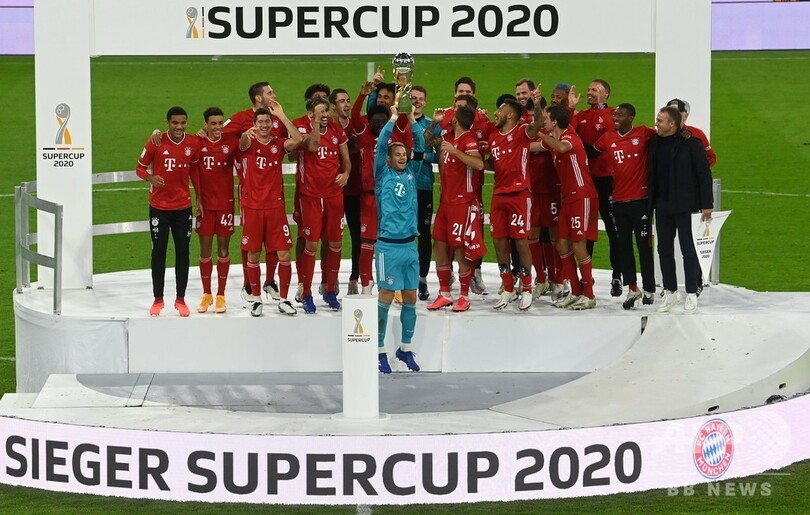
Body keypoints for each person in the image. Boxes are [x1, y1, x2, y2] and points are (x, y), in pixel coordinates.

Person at [221, 81, 289, 302]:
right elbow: (221, 132)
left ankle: (269, 281)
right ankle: (249, 284)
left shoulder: (275, 118)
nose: (274, 95)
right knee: (251, 239)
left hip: (274, 189)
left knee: (273, 238)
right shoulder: (242, 118)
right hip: (250, 189)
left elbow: (289, 140)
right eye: (270, 93)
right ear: (259, 98)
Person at [648, 106, 713, 314]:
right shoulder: (654, 142)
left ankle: (692, 293)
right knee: (663, 250)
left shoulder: (692, 143)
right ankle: (671, 291)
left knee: (688, 250)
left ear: (672, 124)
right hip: (663, 205)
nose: (656, 123)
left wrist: (707, 204)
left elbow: (704, 174)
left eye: (660, 120)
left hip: (687, 205)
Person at [238, 105, 302, 316]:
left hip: (275, 208)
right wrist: (247, 134)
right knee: (253, 254)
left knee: (284, 254)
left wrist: (281, 115)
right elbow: (242, 143)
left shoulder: (278, 144)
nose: (264, 125)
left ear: (272, 124)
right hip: (253, 208)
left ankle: (283, 299)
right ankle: (256, 300)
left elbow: (298, 139)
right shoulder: (248, 142)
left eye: (267, 122)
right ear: (254, 125)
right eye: (260, 122)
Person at [534, 103, 600, 310]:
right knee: (562, 244)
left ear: (554, 122)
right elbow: (531, 147)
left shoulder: (570, 137)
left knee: (578, 244)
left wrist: (539, 133)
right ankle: (576, 291)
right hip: (567, 198)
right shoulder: (554, 139)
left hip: (582, 196)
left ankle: (589, 295)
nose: (543, 122)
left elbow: (562, 147)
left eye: (546, 119)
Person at [136, 106, 200, 317]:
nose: (179, 127)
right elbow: (139, 168)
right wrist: (150, 178)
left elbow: (195, 172)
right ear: (167, 123)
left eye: (183, 123)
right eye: (175, 123)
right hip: (159, 208)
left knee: (183, 252)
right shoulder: (156, 141)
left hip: (183, 208)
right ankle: (158, 299)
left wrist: (199, 197)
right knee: (159, 252)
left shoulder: (192, 143)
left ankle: (180, 299)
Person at [375, 103, 425, 374]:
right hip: (388, 247)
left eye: (404, 154)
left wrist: (411, 118)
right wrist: (394, 117)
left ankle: (405, 348)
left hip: (409, 247)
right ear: (389, 158)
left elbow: (420, 145)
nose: (403, 157)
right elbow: (382, 145)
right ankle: (378, 350)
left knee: (410, 298)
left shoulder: (411, 174)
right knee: (385, 296)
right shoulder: (382, 174)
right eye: (398, 154)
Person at [594, 103, 657, 309]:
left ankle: (649, 289)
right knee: (624, 246)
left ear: (631, 117)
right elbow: (591, 151)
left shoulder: (644, 133)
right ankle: (632, 288)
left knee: (644, 246)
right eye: (615, 115)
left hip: (640, 201)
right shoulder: (607, 137)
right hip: (619, 201)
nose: (616, 118)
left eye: (620, 115)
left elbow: (665, 137)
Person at [486, 97, 545, 311]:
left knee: (521, 241)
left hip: (520, 194)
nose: (496, 113)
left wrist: (536, 104)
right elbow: (493, 163)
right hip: (499, 195)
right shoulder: (493, 137)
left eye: (500, 110)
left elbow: (538, 123)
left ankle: (527, 288)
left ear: (510, 115)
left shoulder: (521, 132)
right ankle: (508, 287)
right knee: (499, 241)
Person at [293, 97, 351, 313]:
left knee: (335, 243)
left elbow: (346, 158)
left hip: (334, 195)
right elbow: (313, 145)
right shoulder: (303, 132)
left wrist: (346, 173)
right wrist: (316, 123)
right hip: (311, 196)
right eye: (320, 112)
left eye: (326, 111)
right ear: (311, 114)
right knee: (311, 245)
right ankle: (307, 293)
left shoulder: (336, 130)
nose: (325, 114)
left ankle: (330, 290)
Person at [426, 105, 485, 312]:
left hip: (462, 203)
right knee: (439, 245)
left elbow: (478, 164)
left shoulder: (468, 140)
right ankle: (444, 293)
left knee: (461, 248)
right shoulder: (449, 138)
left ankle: (464, 295)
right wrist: (433, 123)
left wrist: (455, 151)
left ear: (456, 120)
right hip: (446, 202)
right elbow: (427, 141)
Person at [570, 79, 623, 297]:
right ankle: (586, 278)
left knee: (613, 230)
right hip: (585, 181)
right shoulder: (581, 115)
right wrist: (571, 108)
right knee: (586, 231)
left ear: (605, 95)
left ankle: (617, 276)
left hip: (606, 181)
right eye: (589, 89)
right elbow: (566, 132)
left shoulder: (612, 114)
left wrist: (578, 146)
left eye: (595, 90)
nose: (589, 92)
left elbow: (599, 147)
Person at [192, 107, 239, 314]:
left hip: (225, 204)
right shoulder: (197, 143)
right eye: (213, 123)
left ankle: (221, 294)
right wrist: (198, 197)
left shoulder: (231, 142)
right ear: (206, 124)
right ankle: (206, 293)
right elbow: (191, 167)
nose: (218, 127)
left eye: (220, 123)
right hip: (205, 205)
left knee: (223, 249)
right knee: (205, 250)